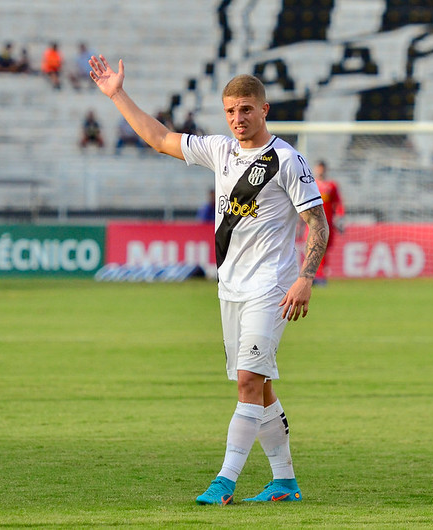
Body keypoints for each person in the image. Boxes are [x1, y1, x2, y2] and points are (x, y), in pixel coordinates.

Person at [89, 54, 328, 505]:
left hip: (270, 288)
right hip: (230, 289)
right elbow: (158, 138)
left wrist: (306, 277)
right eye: (231, 111)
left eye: (246, 110)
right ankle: (285, 481)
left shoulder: (287, 160)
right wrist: (116, 93)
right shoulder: (220, 150)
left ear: (264, 110)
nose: (238, 119)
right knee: (262, 386)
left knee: (246, 383)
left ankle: (224, 480)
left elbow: (318, 223)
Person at [307, 160, 344, 284]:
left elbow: (338, 203)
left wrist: (340, 217)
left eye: (322, 169)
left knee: (324, 249)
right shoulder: (311, 184)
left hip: (328, 223)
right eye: (318, 168)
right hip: (313, 223)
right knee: (314, 248)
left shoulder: (331, 186)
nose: (320, 171)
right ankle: (314, 276)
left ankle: (319, 275)